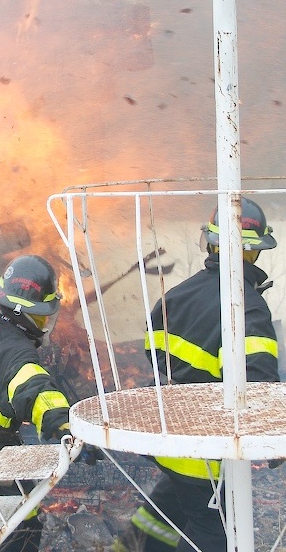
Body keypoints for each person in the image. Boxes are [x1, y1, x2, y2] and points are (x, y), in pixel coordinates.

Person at [113, 197, 281, 552]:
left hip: (165, 432)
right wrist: (273, 442)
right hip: (205, 450)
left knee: (175, 501)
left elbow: (153, 350)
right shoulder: (248, 310)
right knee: (218, 533)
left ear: (211, 243)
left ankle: (134, 545)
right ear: (254, 252)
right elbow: (260, 388)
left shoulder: (177, 295)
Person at [0, 253, 99, 552]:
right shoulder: (18, 355)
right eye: (43, 313)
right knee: (18, 530)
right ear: (28, 313)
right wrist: (69, 428)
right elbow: (36, 392)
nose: (46, 321)